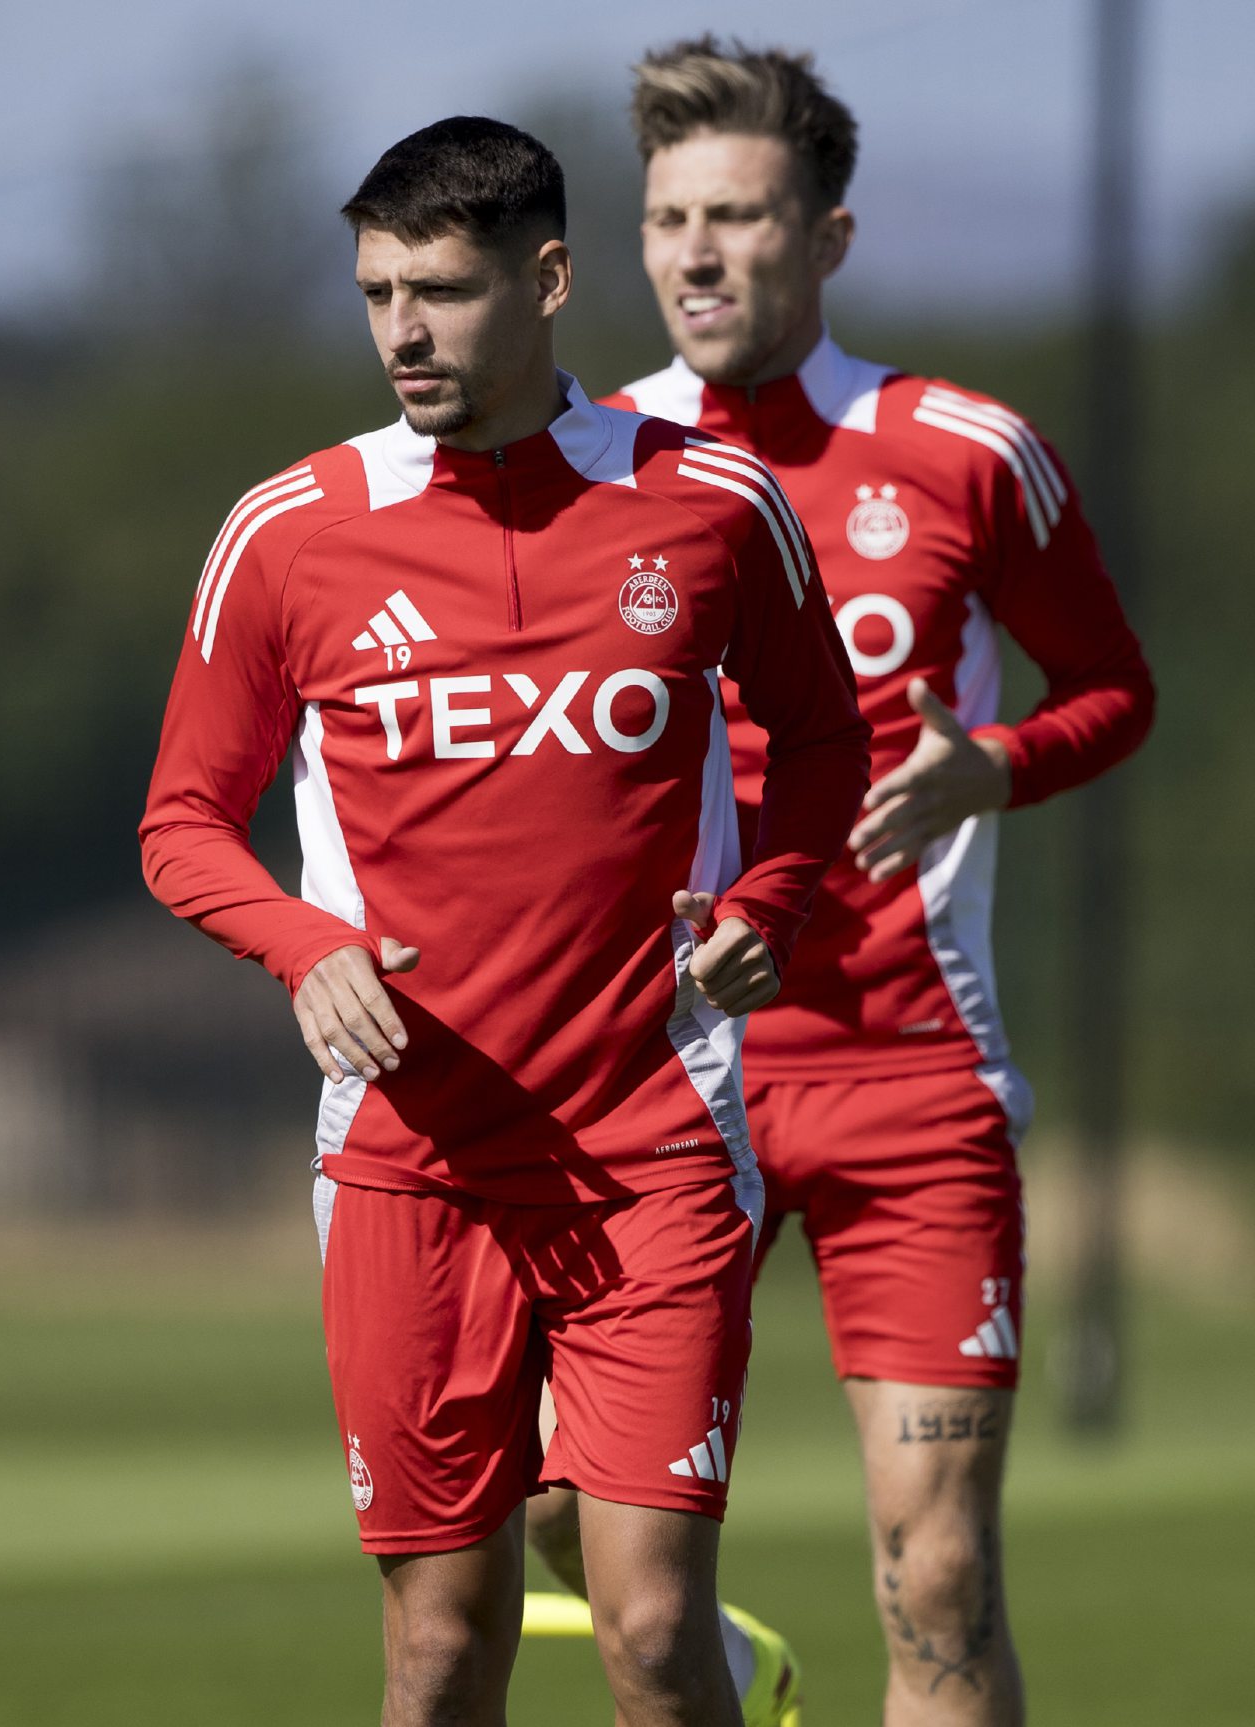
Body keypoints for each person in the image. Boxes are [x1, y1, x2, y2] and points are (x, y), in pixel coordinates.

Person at [139, 115, 869, 1727]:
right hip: (410, 1158)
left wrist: (775, 900)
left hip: (654, 1141)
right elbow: (183, 824)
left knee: (655, 1637)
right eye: (377, 290)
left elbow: (827, 741)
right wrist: (307, 946)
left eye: (444, 291)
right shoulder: (292, 531)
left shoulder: (714, 504)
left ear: (545, 281)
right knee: (438, 1651)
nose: (402, 329)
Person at [525, 39, 1156, 1727]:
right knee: (551, 1522)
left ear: (829, 237)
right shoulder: (574, 457)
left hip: (905, 1077)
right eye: (669, 218)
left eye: (740, 214)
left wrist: (994, 765)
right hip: (656, 1082)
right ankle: (734, 1670)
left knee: (939, 1573)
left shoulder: (963, 449)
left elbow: (1115, 686)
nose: (699, 253)